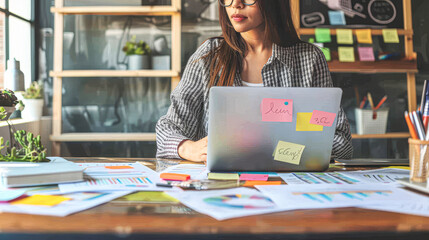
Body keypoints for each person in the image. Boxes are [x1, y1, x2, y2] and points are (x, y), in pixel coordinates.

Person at [156, 0, 353, 162]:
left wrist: (279, 150)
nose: (236, 5)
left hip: (287, 186)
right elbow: (168, 128)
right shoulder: (209, 56)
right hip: (221, 188)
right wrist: (188, 148)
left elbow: (340, 141)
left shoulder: (309, 59)